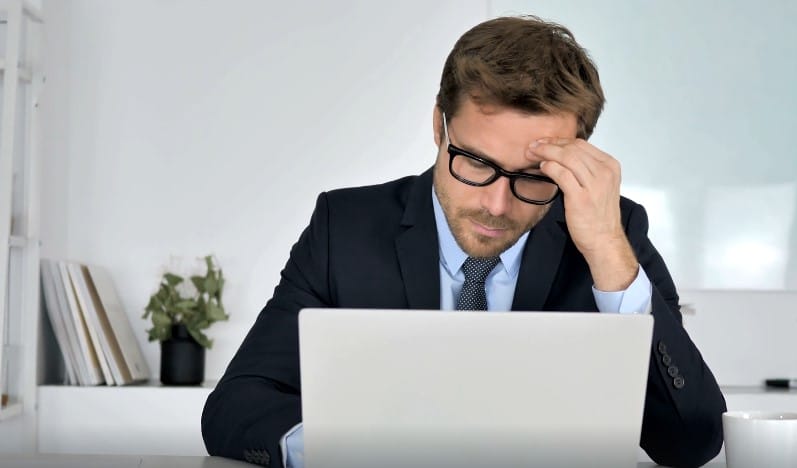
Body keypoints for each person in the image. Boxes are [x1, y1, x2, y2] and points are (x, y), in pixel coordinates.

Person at [202, 15, 726, 468]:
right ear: (439, 126)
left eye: (534, 175)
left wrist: (609, 254)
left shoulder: (613, 233)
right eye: (475, 162)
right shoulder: (346, 227)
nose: (497, 206)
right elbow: (234, 406)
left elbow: (691, 441)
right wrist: (340, 452)